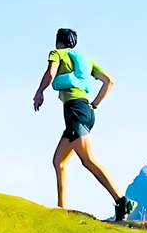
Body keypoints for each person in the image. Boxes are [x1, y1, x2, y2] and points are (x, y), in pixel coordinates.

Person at [33, 28, 138, 221]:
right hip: (85, 111)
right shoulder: (87, 61)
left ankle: (122, 201)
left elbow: (50, 74)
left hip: (75, 111)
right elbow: (109, 82)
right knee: (59, 161)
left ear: (58, 41)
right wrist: (95, 104)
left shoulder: (57, 53)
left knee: (89, 160)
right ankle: (61, 208)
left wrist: (39, 92)